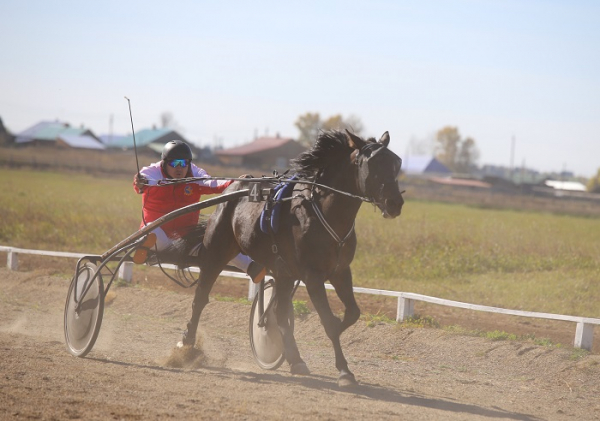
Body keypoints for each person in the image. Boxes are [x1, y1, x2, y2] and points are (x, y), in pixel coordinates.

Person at [132, 139, 266, 283]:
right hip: (160, 234)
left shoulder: (195, 173)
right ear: (164, 162)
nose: (179, 168)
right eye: (174, 163)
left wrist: (237, 183)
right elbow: (142, 181)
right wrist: (140, 182)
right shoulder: (152, 172)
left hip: (186, 240)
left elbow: (213, 182)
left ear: (189, 163)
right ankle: (146, 244)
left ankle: (251, 266)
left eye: (183, 163)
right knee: (152, 232)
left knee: (216, 242)